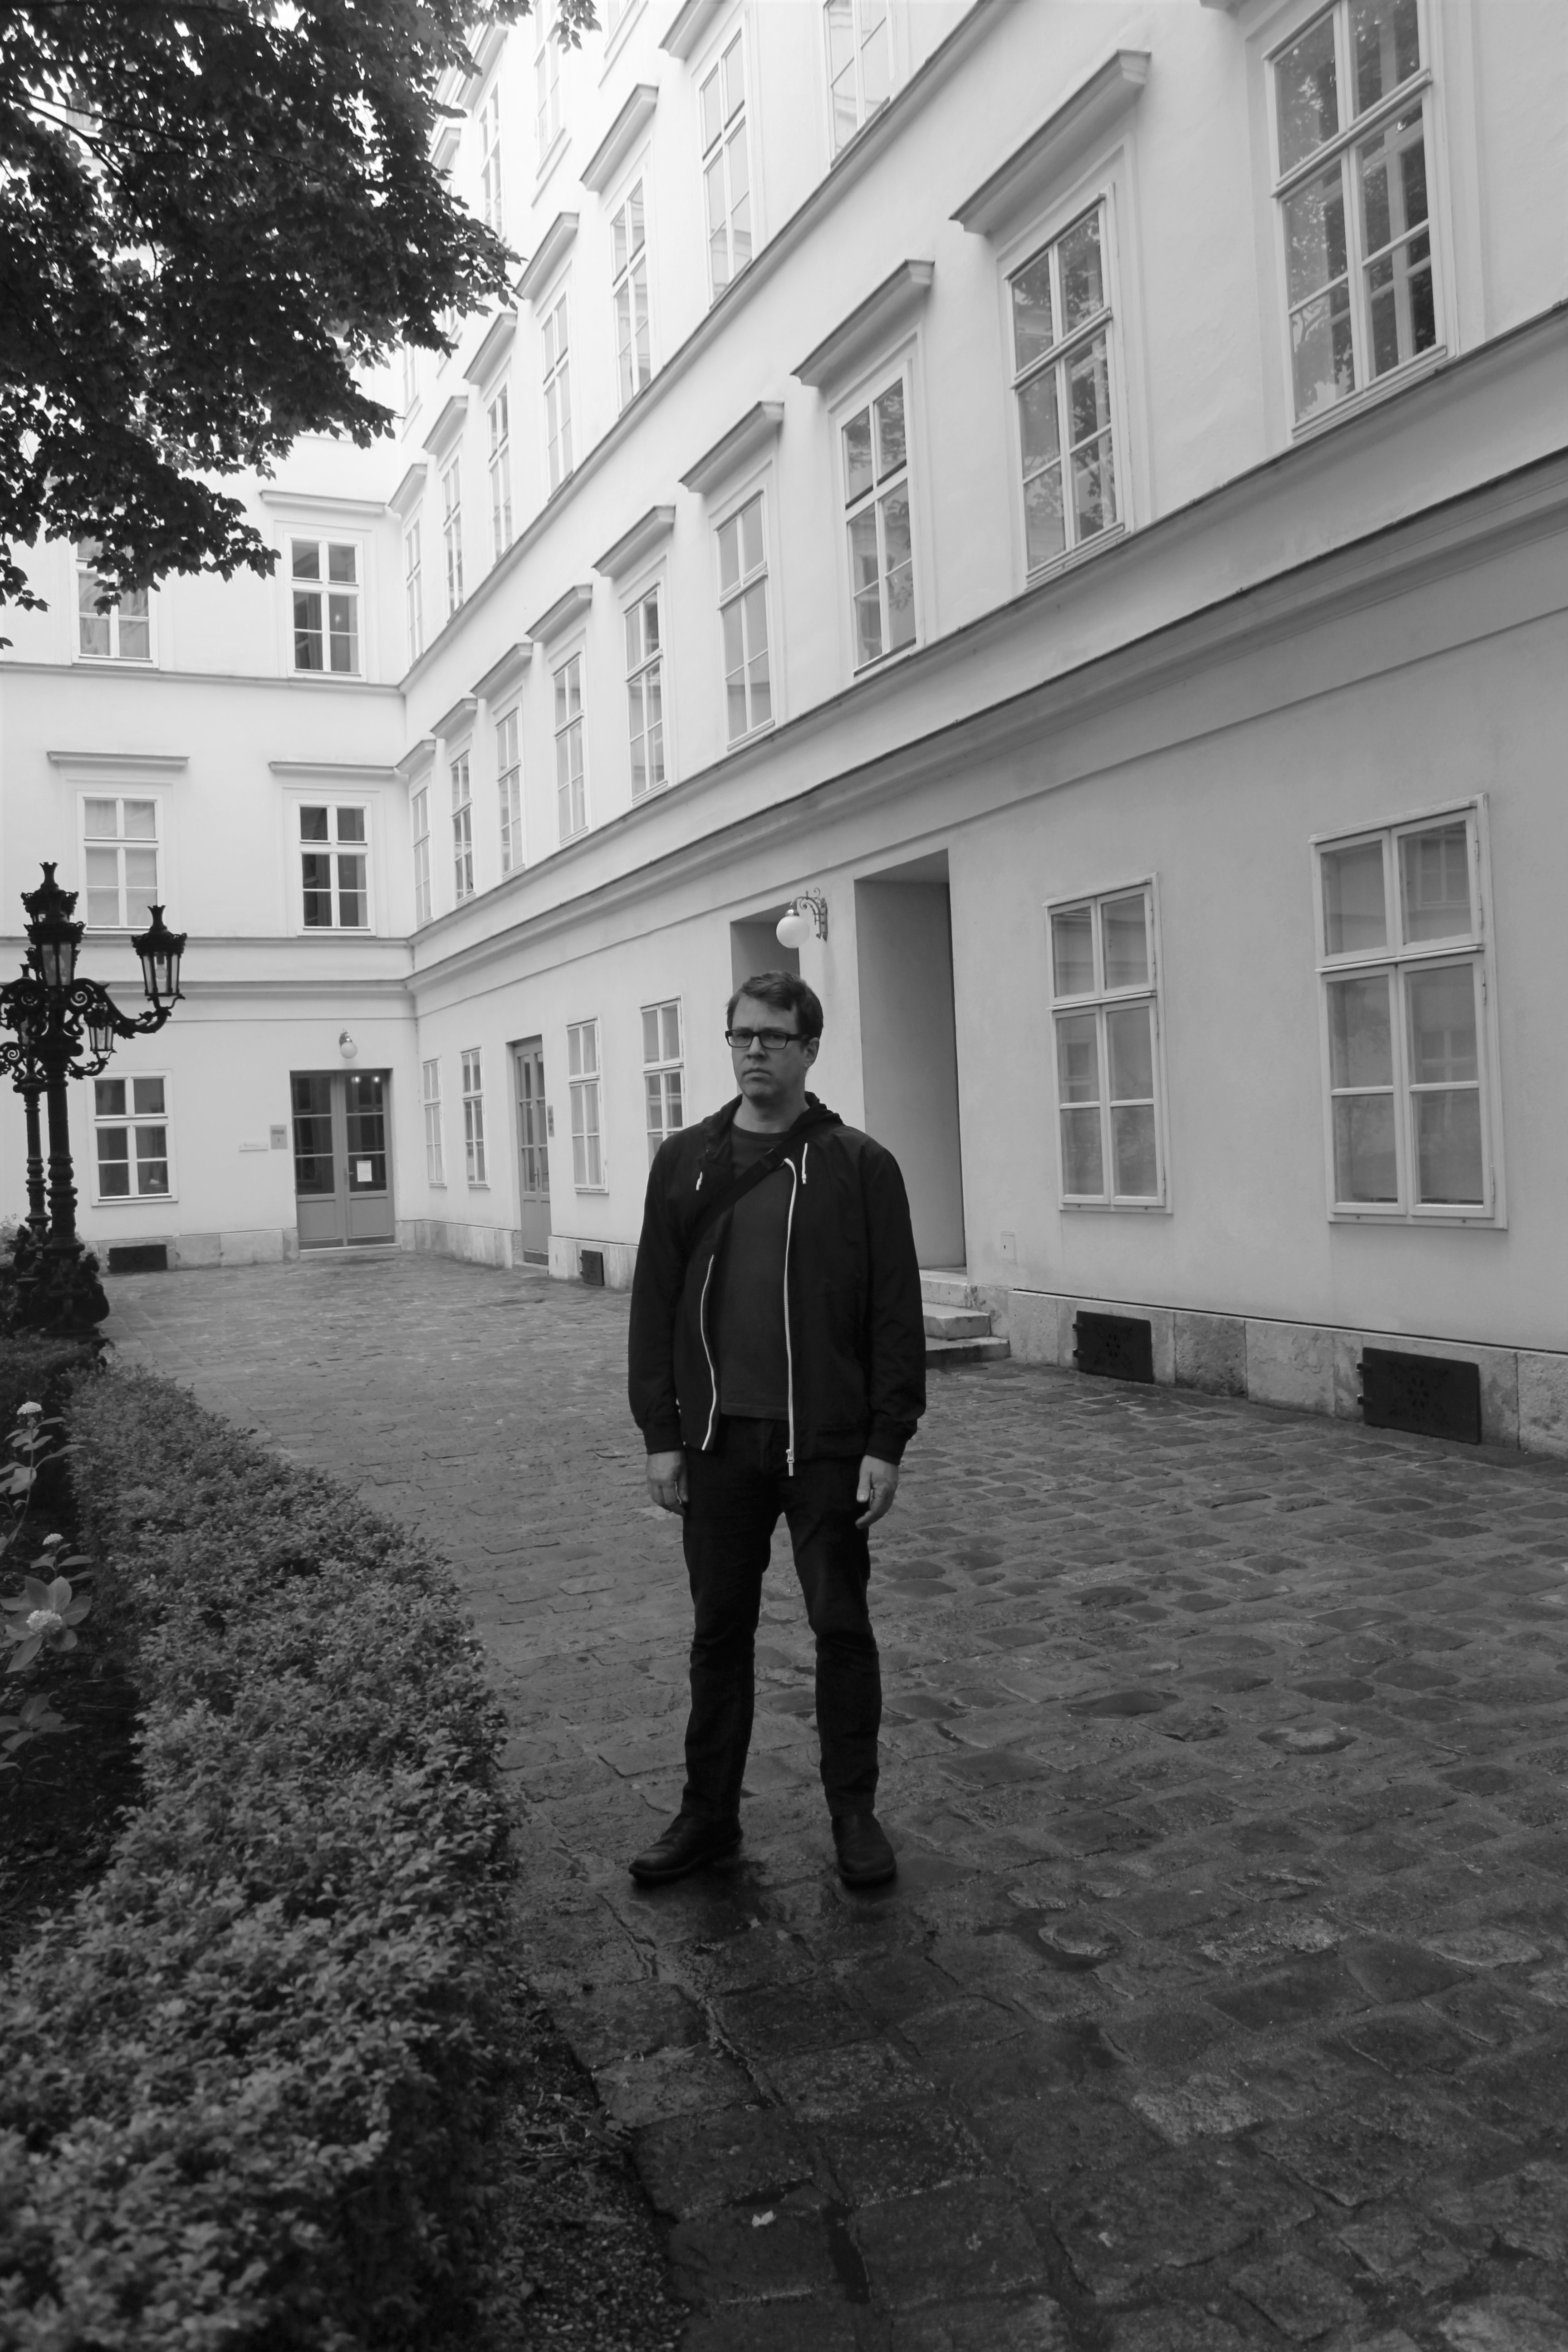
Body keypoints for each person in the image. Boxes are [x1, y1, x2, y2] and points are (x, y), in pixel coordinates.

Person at [627, 970, 926, 1890]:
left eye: (774, 1036)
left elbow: (895, 1315)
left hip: (825, 1443)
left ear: (809, 1049)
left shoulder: (858, 1166)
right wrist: (662, 1434)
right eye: (742, 1035)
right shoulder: (686, 1160)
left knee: (841, 1628)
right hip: (719, 1444)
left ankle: (854, 1814)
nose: (755, 1050)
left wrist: (886, 1442)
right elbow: (655, 1305)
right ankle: (707, 1815)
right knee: (719, 1633)